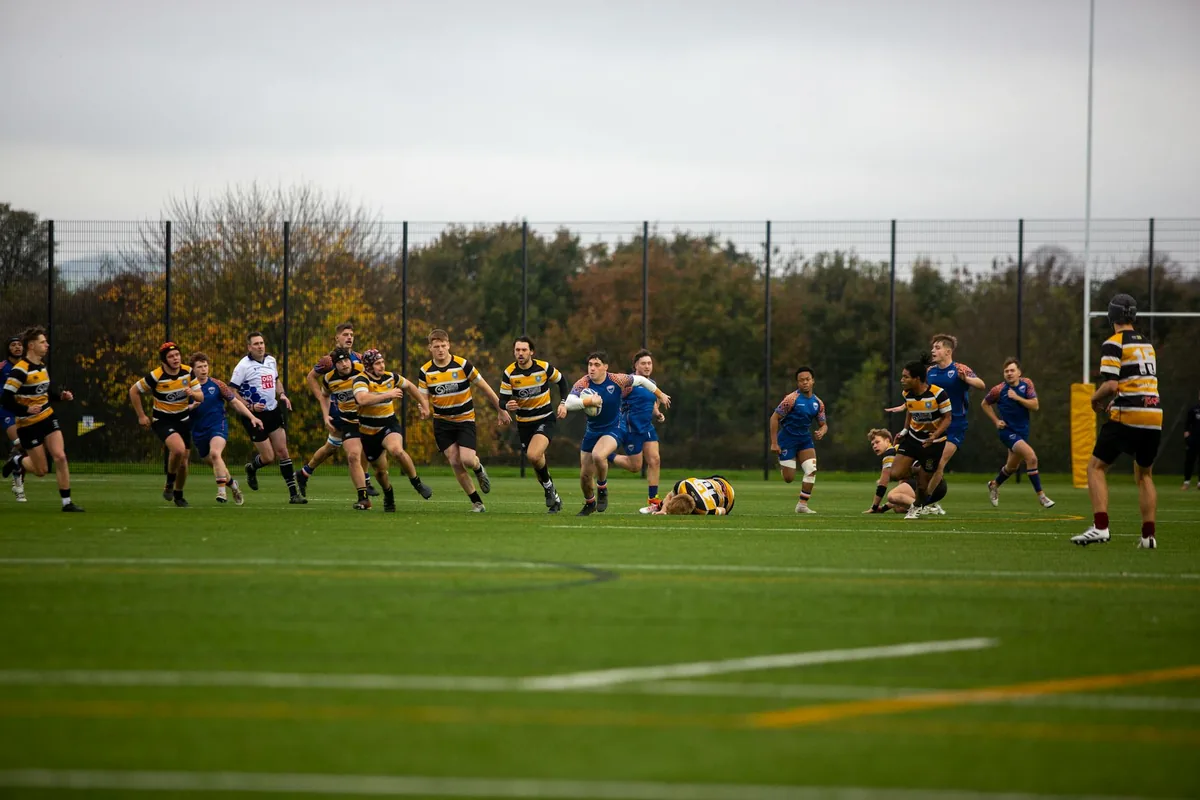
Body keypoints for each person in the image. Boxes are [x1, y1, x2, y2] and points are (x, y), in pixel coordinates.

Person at [1072, 294, 1160, 549]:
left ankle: (1100, 527)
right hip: (1154, 414)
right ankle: (1148, 536)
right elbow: (1139, 383)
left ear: (1112, 316)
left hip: (1129, 414)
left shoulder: (1114, 342)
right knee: (1144, 474)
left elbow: (1110, 384)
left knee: (1095, 468)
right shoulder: (1147, 345)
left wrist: (1093, 399)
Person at [562, 350, 671, 516]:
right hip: (592, 432)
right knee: (584, 476)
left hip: (614, 428)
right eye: (590, 365)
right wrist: (588, 401)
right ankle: (590, 502)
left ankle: (602, 487)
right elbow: (569, 403)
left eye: (597, 365)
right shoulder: (583, 382)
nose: (592, 368)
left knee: (599, 456)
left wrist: (660, 394)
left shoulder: (617, 379)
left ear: (605, 367)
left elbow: (641, 380)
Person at [417, 329, 511, 512]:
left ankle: (478, 468)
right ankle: (477, 502)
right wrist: (424, 409)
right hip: (442, 423)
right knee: (454, 460)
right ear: (430, 348)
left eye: (443, 346)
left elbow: (485, 388)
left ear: (449, 345)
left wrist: (501, 410)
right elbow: (423, 399)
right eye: (436, 347)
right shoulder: (425, 371)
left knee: (467, 459)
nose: (440, 350)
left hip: (465, 419)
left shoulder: (462, 365)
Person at [1, 327, 83, 511]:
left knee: (60, 456)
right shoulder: (19, 371)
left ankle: (67, 503)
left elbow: (43, 391)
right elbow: (5, 399)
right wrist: (26, 409)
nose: (46, 345)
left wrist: (60, 396)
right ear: (31, 345)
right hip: (28, 424)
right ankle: (17, 461)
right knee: (41, 471)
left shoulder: (41, 365)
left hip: (47, 417)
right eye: (42, 342)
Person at [296, 322, 377, 498]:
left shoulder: (359, 358)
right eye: (345, 334)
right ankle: (365, 481)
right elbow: (311, 377)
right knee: (343, 445)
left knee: (335, 446)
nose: (349, 337)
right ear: (337, 338)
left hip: (359, 410)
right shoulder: (328, 361)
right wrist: (321, 398)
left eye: (352, 335)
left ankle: (304, 473)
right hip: (340, 411)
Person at [352, 348, 433, 511]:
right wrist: (387, 394)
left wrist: (425, 405)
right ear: (368, 367)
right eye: (377, 363)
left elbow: (410, 386)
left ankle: (416, 482)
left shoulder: (391, 377)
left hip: (388, 424)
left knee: (397, 450)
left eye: (382, 362)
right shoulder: (361, 380)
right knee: (381, 473)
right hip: (368, 432)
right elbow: (362, 399)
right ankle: (388, 493)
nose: (382, 366)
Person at [232, 332, 305, 504]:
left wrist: (282, 395)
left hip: (272, 411)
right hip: (253, 416)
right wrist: (250, 407)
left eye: (262, 343)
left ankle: (294, 494)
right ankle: (252, 468)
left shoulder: (271, 360)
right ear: (249, 347)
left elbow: (277, 381)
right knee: (268, 457)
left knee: (283, 452)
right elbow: (232, 392)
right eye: (256, 344)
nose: (260, 346)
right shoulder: (243, 366)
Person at [499, 336, 567, 513]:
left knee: (533, 455)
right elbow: (503, 400)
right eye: (517, 350)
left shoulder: (543, 368)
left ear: (531, 352)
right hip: (524, 424)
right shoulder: (510, 373)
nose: (520, 353)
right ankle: (553, 495)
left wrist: (563, 403)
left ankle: (549, 489)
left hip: (545, 418)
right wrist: (507, 405)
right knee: (537, 461)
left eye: (523, 350)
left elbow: (562, 381)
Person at [187, 352, 261, 505]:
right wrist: (190, 407)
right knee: (216, 462)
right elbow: (178, 409)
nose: (203, 369)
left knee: (215, 453)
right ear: (192, 369)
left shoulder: (218, 384)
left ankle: (221, 491)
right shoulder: (187, 388)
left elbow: (235, 402)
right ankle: (233, 485)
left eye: (205, 366)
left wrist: (252, 416)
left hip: (217, 425)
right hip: (198, 431)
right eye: (199, 367)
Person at [981, 358, 1054, 509]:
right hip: (1007, 432)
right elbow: (985, 403)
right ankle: (1041, 496)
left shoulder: (1027, 384)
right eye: (1006, 371)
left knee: (1011, 467)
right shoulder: (998, 390)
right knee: (1031, 458)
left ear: (1019, 372)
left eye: (1012, 370)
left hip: (1022, 432)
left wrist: (1017, 398)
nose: (1009, 373)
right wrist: (996, 421)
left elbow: (1035, 406)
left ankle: (994, 485)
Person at [129, 342, 195, 507]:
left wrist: (196, 395)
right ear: (164, 361)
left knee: (184, 461)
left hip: (184, 420)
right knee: (178, 449)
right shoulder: (156, 376)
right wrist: (141, 416)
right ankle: (169, 483)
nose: (175, 359)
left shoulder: (188, 371)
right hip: (163, 421)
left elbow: (198, 393)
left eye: (177, 355)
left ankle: (178, 494)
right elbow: (133, 391)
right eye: (171, 356)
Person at [890, 354, 953, 520]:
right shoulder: (907, 394)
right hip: (913, 438)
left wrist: (935, 435)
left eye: (906, 377)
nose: (902, 380)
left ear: (917, 379)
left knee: (923, 486)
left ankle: (916, 507)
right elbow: (911, 410)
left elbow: (948, 418)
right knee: (895, 473)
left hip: (933, 443)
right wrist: (905, 430)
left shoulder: (938, 394)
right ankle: (918, 468)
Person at [922, 334, 985, 500]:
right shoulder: (930, 372)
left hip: (956, 425)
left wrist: (967, 379)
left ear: (948, 351)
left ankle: (922, 503)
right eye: (933, 347)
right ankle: (928, 500)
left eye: (937, 347)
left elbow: (981, 384)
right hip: (934, 425)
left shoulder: (959, 369)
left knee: (939, 463)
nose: (933, 351)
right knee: (923, 465)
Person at [609, 349, 667, 514]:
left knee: (655, 460)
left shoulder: (652, 384)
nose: (647, 366)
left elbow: (653, 403)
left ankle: (653, 500)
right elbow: (614, 396)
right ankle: (608, 456)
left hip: (647, 427)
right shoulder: (629, 383)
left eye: (649, 363)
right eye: (643, 363)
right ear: (635, 366)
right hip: (631, 429)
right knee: (635, 467)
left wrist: (657, 413)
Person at [769, 366, 828, 514]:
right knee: (789, 478)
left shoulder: (818, 403)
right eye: (801, 380)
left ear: (813, 381)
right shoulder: (791, 399)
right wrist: (774, 443)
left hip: (804, 440)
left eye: (807, 379)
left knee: (811, 470)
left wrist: (822, 431)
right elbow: (774, 418)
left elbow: (824, 424)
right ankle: (785, 460)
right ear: (797, 383)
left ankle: (802, 505)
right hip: (787, 439)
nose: (805, 383)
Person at [321, 348, 372, 509]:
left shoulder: (362, 371)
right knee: (352, 456)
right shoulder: (329, 379)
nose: (344, 364)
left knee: (376, 462)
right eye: (339, 362)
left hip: (369, 420)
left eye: (346, 360)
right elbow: (324, 395)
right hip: (349, 422)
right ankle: (363, 498)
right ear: (334, 365)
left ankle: (387, 492)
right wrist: (325, 415)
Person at [863, 428, 947, 514]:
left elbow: (883, 483)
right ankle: (927, 506)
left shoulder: (889, 453)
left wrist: (874, 507)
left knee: (892, 496)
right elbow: (903, 482)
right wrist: (884, 508)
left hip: (929, 484)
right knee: (898, 508)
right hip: (939, 487)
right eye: (872, 444)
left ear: (887, 440)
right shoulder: (898, 452)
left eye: (877, 442)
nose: (875, 446)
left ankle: (925, 509)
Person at [2, 336, 26, 501]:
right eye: (13, 345)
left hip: (24, 410)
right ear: (8, 348)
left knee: (25, 448)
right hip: (6, 411)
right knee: (19, 443)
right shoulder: (2, 367)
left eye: (19, 344)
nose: (17, 347)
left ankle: (18, 486)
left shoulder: (27, 367)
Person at [653, 475, 735, 515]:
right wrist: (663, 510)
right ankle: (659, 506)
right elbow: (670, 496)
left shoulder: (704, 509)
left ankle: (658, 506)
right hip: (715, 480)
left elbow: (723, 510)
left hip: (729, 494)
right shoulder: (683, 485)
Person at [1183, 390, 1200, 490]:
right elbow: (1187, 423)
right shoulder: (1193, 410)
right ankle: (1186, 482)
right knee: (1189, 460)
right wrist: (1186, 434)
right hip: (1193, 439)